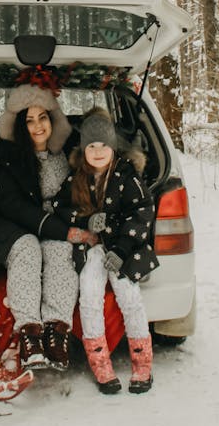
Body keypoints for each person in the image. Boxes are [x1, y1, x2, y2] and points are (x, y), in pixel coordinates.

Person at [0, 82, 79, 371]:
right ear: (19, 125)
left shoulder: (69, 151)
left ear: (53, 120)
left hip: (54, 224)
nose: (37, 126)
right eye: (29, 120)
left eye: (43, 117)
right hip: (11, 224)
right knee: (28, 248)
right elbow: (11, 205)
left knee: (60, 250)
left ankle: (57, 332)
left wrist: (68, 227)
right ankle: (30, 335)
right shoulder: (6, 154)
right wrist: (59, 227)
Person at [53, 107, 158, 394]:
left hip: (125, 248)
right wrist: (85, 221)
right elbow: (60, 208)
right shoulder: (77, 178)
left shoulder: (127, 176)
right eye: (91, 146)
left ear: (113, 146)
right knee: (89, 293)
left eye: (103, 145)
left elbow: (143, 211)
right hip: (94, 249)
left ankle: (142, 364)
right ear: (83, 149)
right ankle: (100, 363)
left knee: (129, 295)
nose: (98, 152)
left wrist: (123, 248)